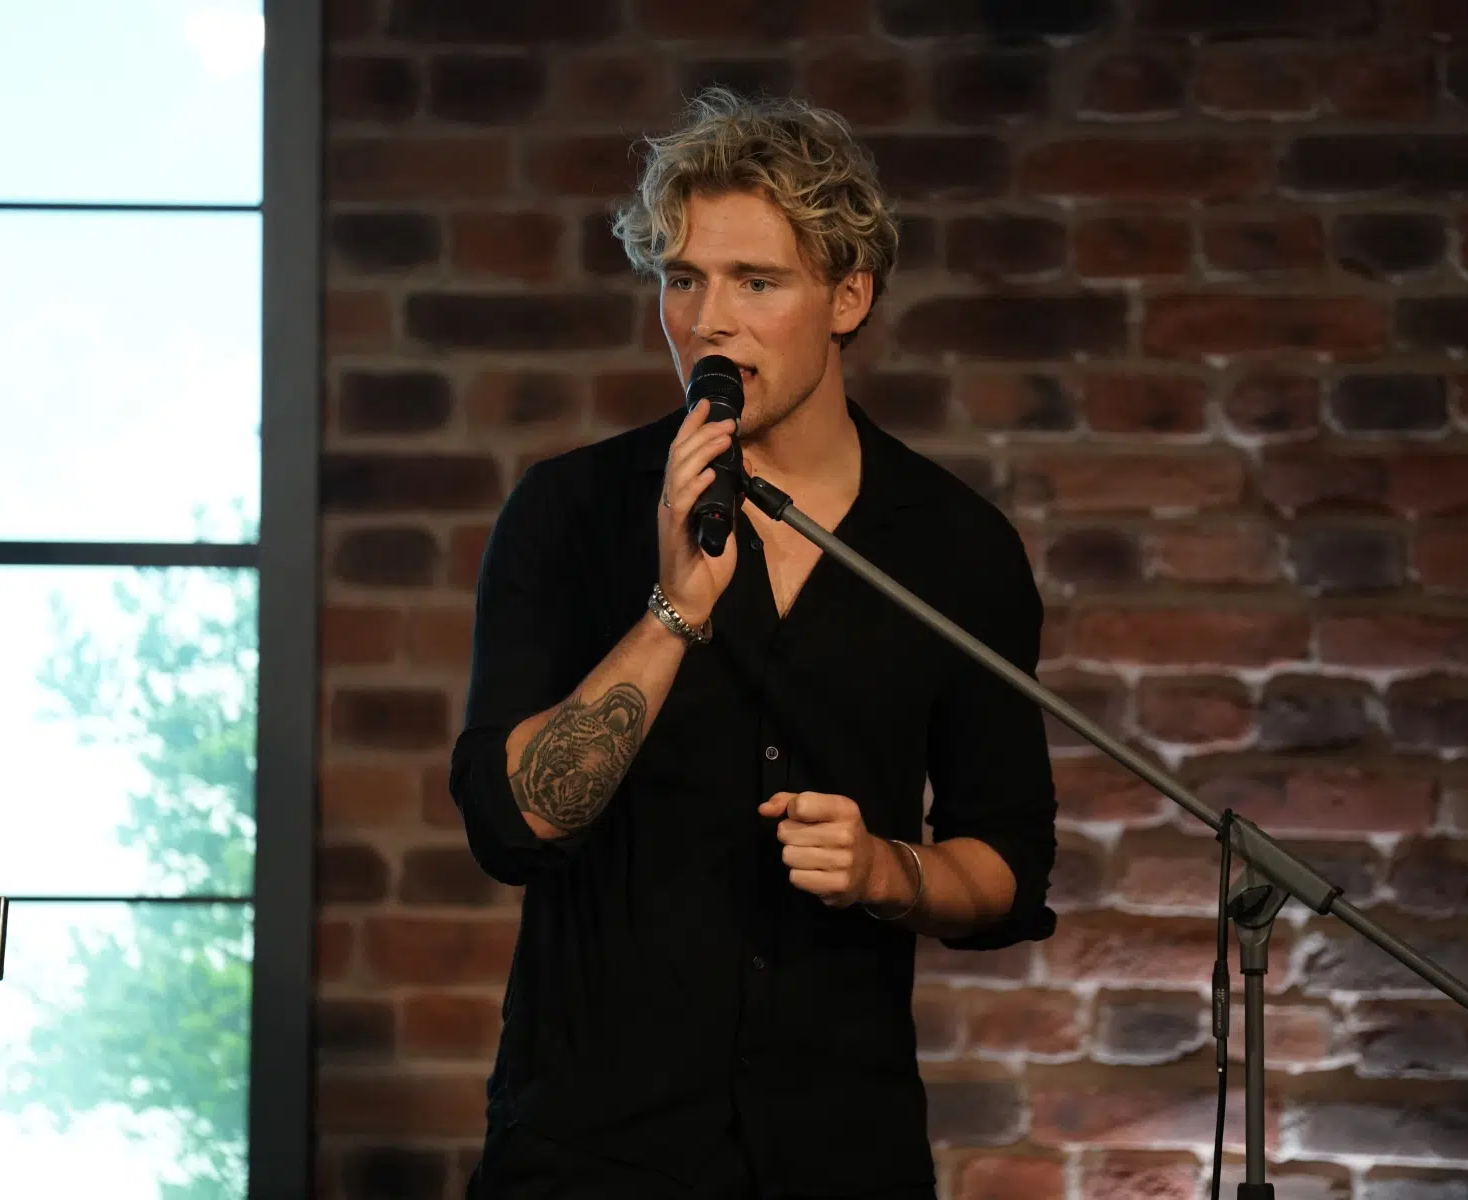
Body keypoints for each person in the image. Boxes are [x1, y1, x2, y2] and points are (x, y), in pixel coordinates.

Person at [453, 87, 1058, 1200]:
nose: (708, 323)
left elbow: (1007, 869)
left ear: (848, 296)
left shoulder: (955, 548)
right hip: (592, 1156)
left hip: (842, 1154)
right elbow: (511, 822)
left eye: (757, 282)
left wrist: (885, 872)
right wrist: (673, 610)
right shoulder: (569, 512)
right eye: (683, 279)